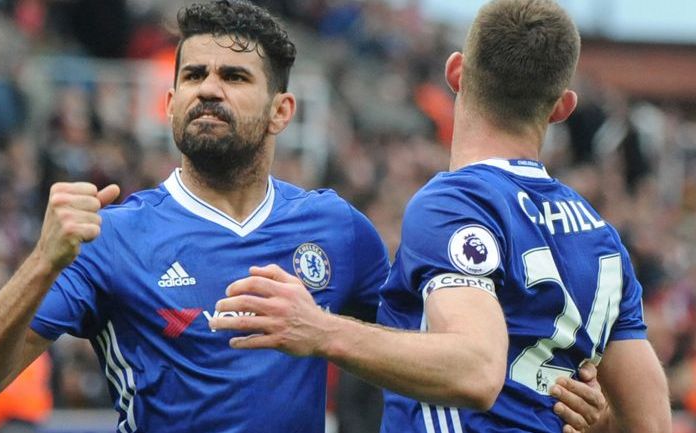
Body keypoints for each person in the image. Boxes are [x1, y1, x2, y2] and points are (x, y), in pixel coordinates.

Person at [0, 1, 606, 432]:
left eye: (234, 77)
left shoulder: (340, 230)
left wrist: (561, 393)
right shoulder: (112, 236)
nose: (208, 87)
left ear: (283, 112)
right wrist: (39, 262)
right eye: (194, 74)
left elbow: (439, 356)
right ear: (168, 103)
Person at [209, 1, 671, 432]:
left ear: (455, 72)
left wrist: (319, 330)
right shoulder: (599, 233)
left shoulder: (456, 203)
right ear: (561, 107)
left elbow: (476, 370)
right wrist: (607, 422)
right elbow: (651, 424)